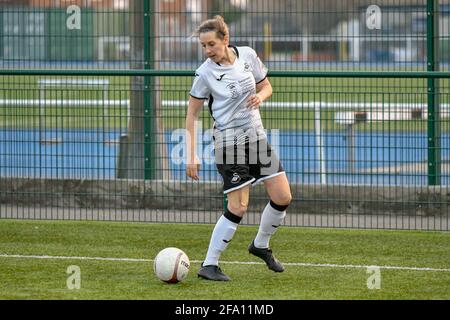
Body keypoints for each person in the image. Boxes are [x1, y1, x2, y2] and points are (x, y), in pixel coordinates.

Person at [186, 16, 292, 281]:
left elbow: (266, 86)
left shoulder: (247, 55)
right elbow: (192, 115)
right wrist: (191, 154)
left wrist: (261, 96)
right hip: (229, 144)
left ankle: (260, 245)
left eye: (211, 44)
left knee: (282, 197)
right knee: (239, 206)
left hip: (257, 139)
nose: (208, 50)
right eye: (203, 46)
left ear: (226, 39)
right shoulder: (204, 73)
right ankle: (209, 265)